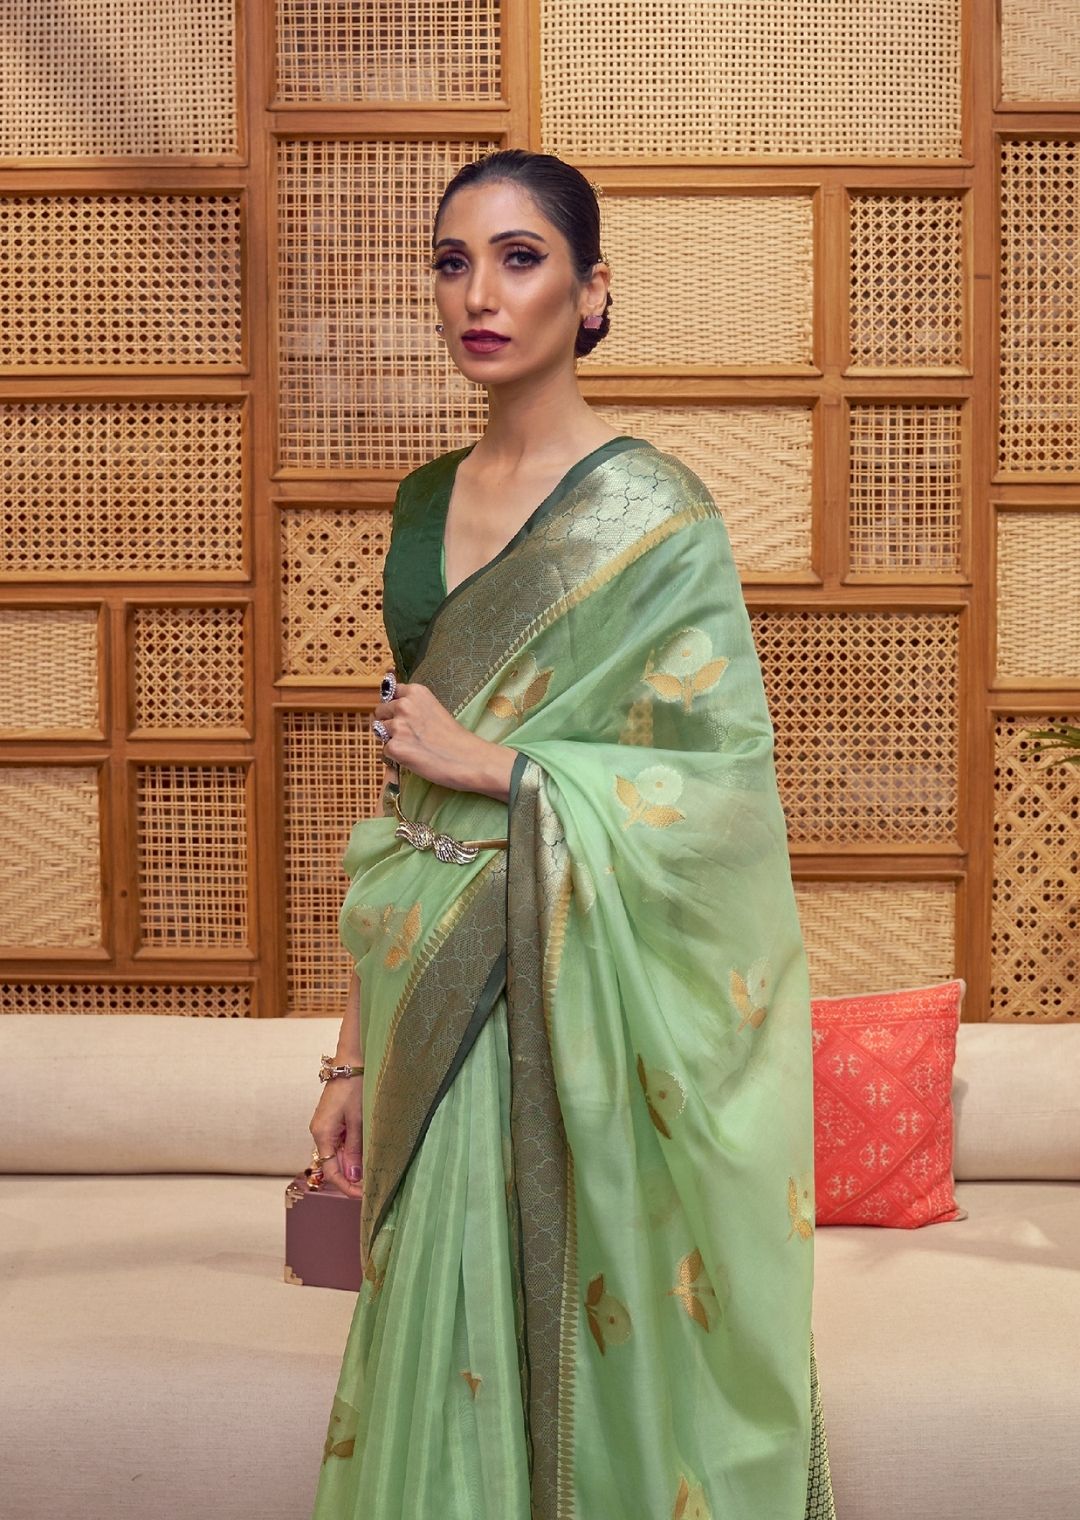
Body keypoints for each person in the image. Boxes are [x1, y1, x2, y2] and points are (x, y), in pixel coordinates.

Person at [307, 147, 836, 1520]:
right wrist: (350, 1053)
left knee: (550, 1323)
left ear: (592, 293)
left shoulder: (654, 517)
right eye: (452, 261)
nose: (478, 293)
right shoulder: (423, 503)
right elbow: (402, 797)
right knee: (432, 1335)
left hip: (555, 979)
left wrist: (504, 768)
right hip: (419, 971)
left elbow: (721, 798)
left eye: (520, 258)